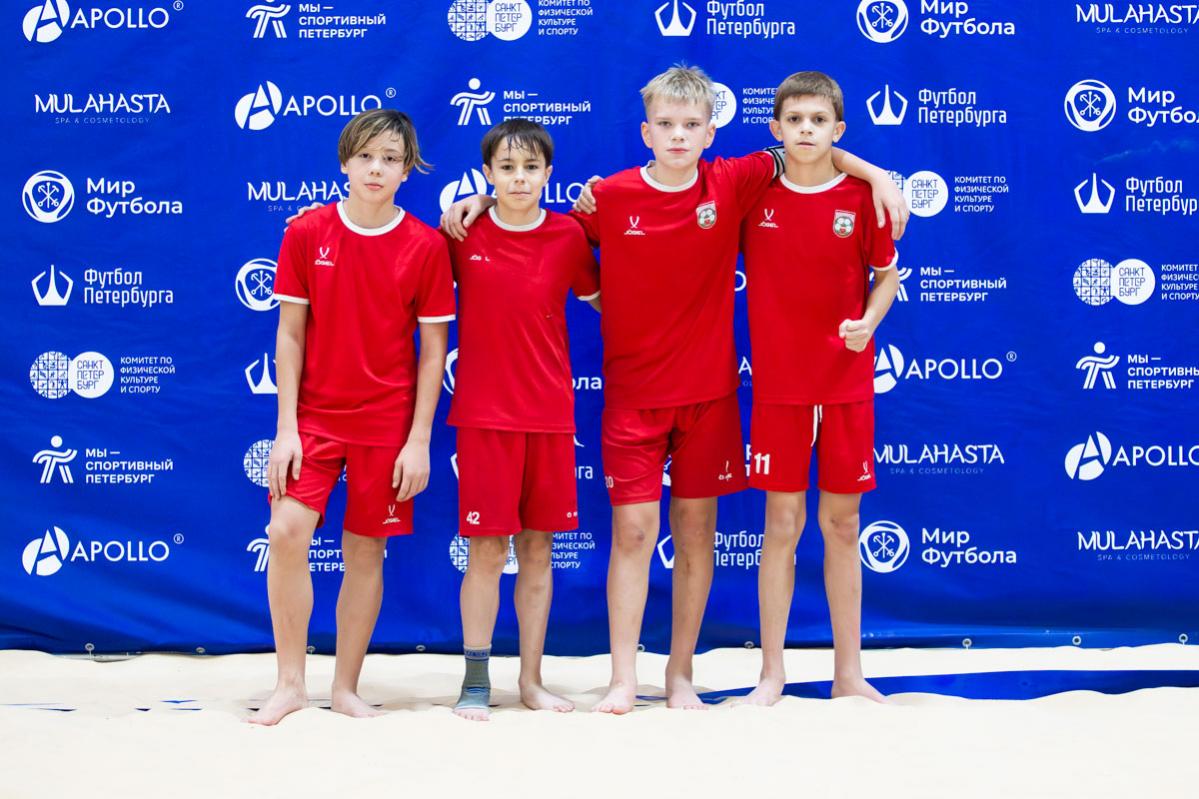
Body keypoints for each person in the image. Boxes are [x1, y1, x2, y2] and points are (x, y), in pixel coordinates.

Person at [445, 65, 907, 713]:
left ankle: (680, 673)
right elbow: (536, 225)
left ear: (710, 132)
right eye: (665, 124)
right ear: (646, 132)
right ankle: (622, 678)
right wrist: (478, 204)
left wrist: (877, 175)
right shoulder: (608, 197)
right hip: (632, 397)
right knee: (634, 534)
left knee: (695, 535)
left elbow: (807, 147)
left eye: (691, 125)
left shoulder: (734, 179)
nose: (678, 136)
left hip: (709, 397)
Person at [249, 109, 455, 726]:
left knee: (365, 552)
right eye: (365, 156)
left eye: (390, 158)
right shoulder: (307, 233)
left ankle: (345, 687)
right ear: (345, 162)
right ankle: (290, 684)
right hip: (314, 419)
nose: (376, 168)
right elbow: (290, 335)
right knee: (286, 532)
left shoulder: (425, 245)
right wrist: (286, 428)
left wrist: (418, 440)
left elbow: (434, 354)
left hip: (387, 425)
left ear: (406, 170)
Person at [740, 72, 899, 706]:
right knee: (781, 523)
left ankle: (848, 673)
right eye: (795, 120)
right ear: (775, 129)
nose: (806, 129)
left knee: (842, 522)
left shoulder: (862, 198)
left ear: (839, 129)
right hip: (779, 385)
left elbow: (886, 278)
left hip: (845, 383)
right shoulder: (754, 190)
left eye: (818, 120)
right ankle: (771, 673)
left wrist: (869, 321)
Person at [446, 119, 601, 721]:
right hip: (485, 418)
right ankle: (476, 680)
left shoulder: (567, 236)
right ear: (487, 173)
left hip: (550, 418)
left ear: (547, 174)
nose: (518, 178)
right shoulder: (462, 232)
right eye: (506, 168)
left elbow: (609, 301)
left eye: (530, 168)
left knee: (538, 550)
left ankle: (532, 681)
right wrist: (474, 205)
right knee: (487, 553)